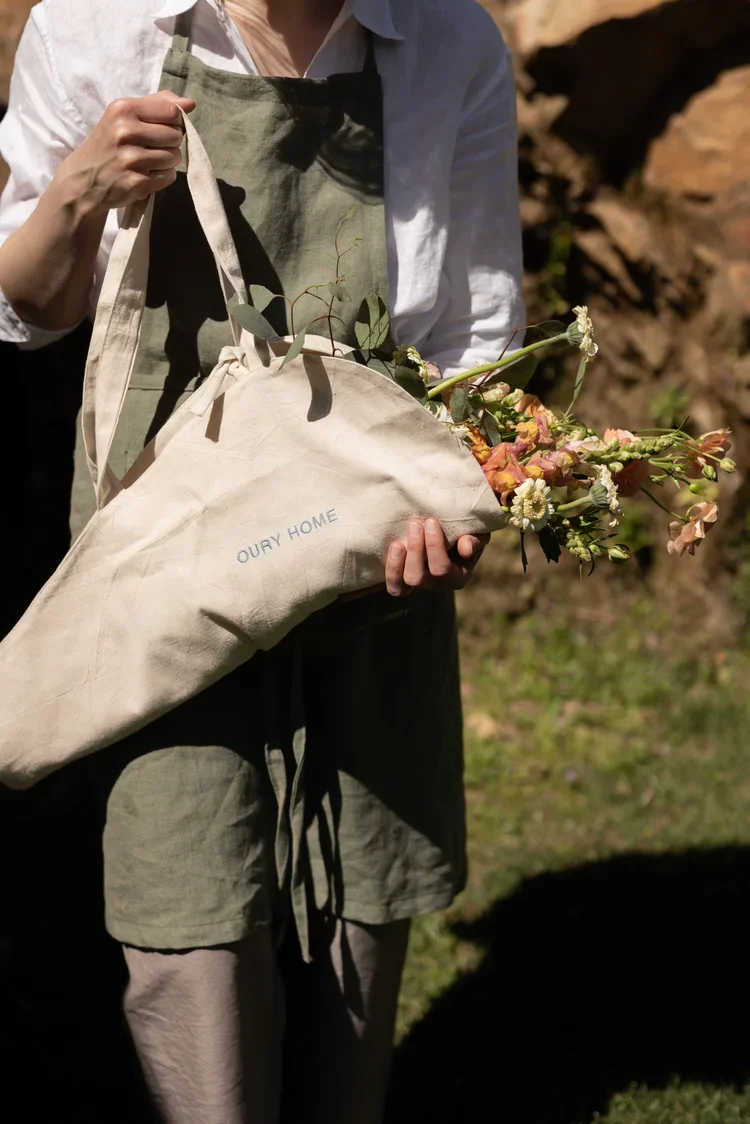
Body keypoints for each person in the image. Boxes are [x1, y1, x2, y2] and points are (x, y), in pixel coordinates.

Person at [0, 1, 524, 1121]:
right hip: (169, 540)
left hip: (371, 527)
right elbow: (30, 308)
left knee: (364, 895)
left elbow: (475, 344)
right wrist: (83, 187)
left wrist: (456, 515)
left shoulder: (448, 42)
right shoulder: (95, 26)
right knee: (185, 909)